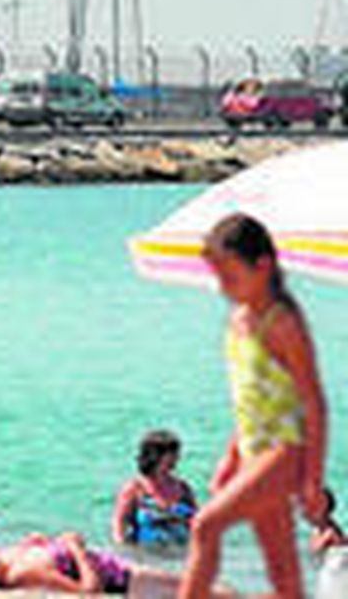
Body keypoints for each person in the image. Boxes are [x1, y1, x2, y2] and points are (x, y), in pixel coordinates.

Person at [181, 212, 329, 599]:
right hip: (252, 452)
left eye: (230, 277)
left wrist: (312, 478)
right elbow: (252, 403)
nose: (223, 287)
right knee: (283, 573)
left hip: (284, 452)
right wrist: (231, 456)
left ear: (263, 266)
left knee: (205, 526)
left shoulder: (283, 323)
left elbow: (313, 402)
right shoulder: (237, 322)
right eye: (217, 277)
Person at [0, 528, 234, 596]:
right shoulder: (23, 574)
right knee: (209, 592)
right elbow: (88, 591)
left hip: (119, 569)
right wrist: (76, 548)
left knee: (206, 588)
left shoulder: (11, 557)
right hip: (125, 582)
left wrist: (41, 543)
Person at [111, 429, 197, 547]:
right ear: (155, 456)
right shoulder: (135, 489)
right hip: (147, 558)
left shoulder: (183, 488)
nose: (177, 457)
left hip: (182, 557)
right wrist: (123, 553)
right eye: (172, 453)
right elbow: (119, 526)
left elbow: (198, 524)